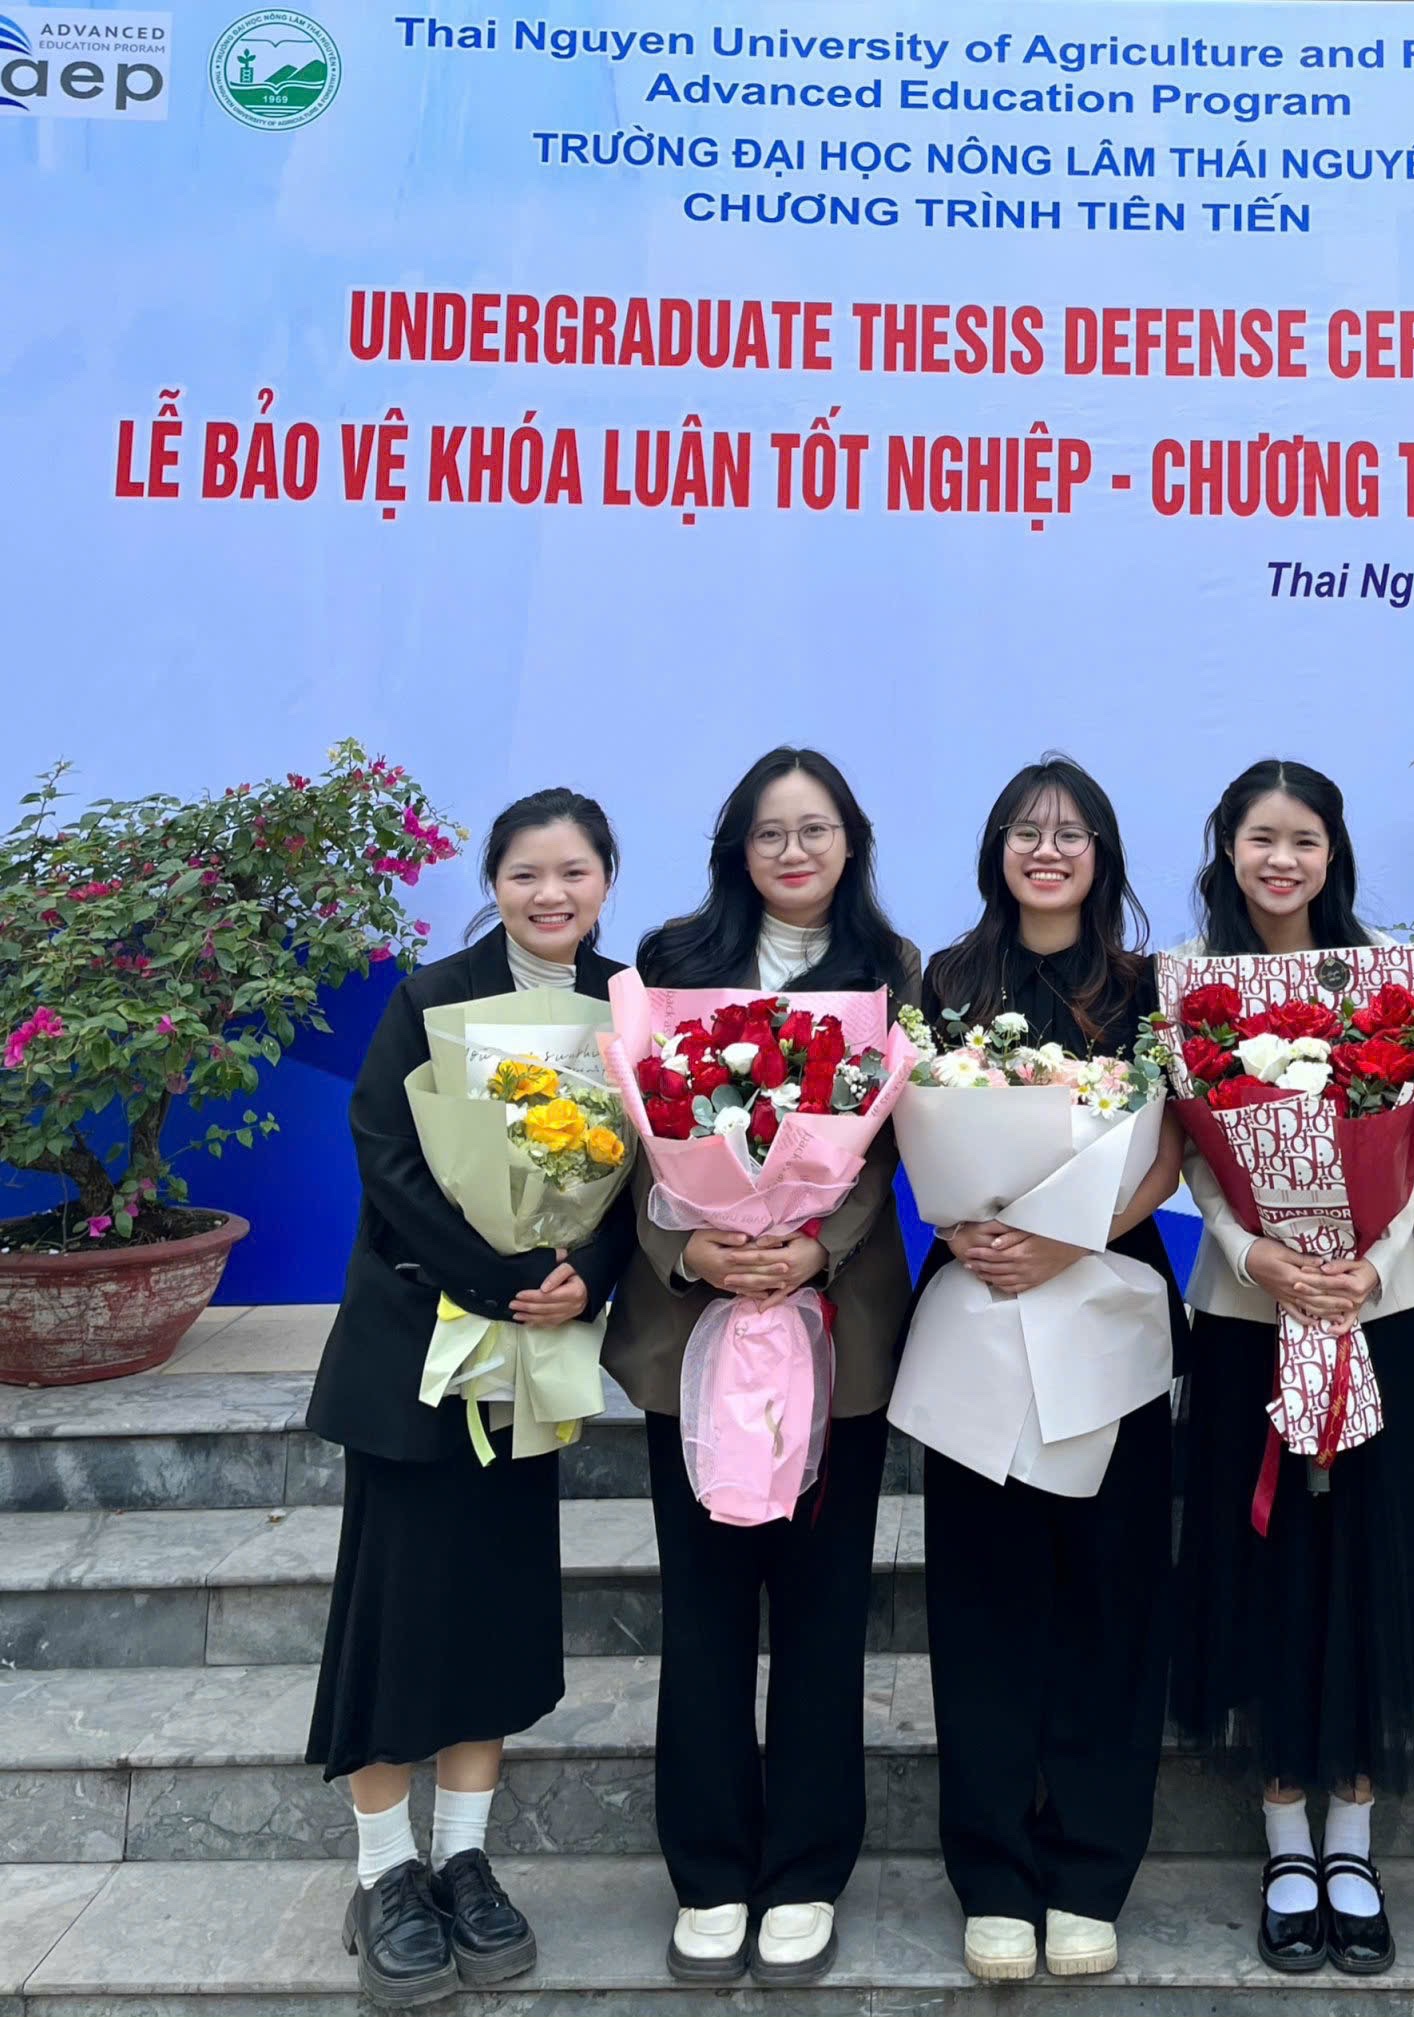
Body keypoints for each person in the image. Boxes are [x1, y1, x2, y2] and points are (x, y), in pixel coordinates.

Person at [307, 788, 638, 2008]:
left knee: (494, 1614)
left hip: (533, 1356)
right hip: (418, 1350)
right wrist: (501, 1278)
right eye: (524, 874)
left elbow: (649, 1173)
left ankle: (463, 1860)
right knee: (395, 1616)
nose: (550, 894)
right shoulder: (430, 997)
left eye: (573, 872)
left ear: (606, 880)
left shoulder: (629, 1003)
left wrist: (587, 1272)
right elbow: (389, 1159)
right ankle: (382, 1874)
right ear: (492, 884)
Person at [1168, 759, 1414, 1975]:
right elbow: (1191, 1150)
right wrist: (1254, 1251)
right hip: (1248, 1315)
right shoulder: (1190, 993)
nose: (1281, 860)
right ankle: (1281, 1840)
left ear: (1331, 853)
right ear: (1228, 848)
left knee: (1369, 1560)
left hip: (1377, 1311)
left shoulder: (1391, 985)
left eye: (1302, 839)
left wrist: (1367, 1261)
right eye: (1261, 837)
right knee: (1265, 1567)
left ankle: (1350, 1843)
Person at [604, 747, 920, 1987]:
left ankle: (803, 1869)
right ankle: (707, 1869)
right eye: (771, 832)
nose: (794, 852)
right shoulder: (671, 965)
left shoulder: (894, 974)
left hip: (835, 1338)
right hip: (693, 1334)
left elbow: (895, 1145)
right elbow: (630, 1139)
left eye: (816, 829)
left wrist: (811, 1248)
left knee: (824, 1610)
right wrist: (692, 1246)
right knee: (705, 1608)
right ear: (737, 847)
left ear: (852, 843)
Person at [912, 755, 1187, 1984]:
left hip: (1107, 1301)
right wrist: (967, 1225)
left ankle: (1087, 1872)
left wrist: (1072, 1232)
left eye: (1070, 833)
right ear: (995, 850)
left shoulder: (1147, 989)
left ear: (1102, 856)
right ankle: (991, 1875)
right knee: (982, 1602)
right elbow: (909, 1131)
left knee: (1108, 1600)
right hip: (979, 1303)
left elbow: (1172, 1148)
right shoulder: (946, 981)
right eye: (1024, 831)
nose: (1046, 850)